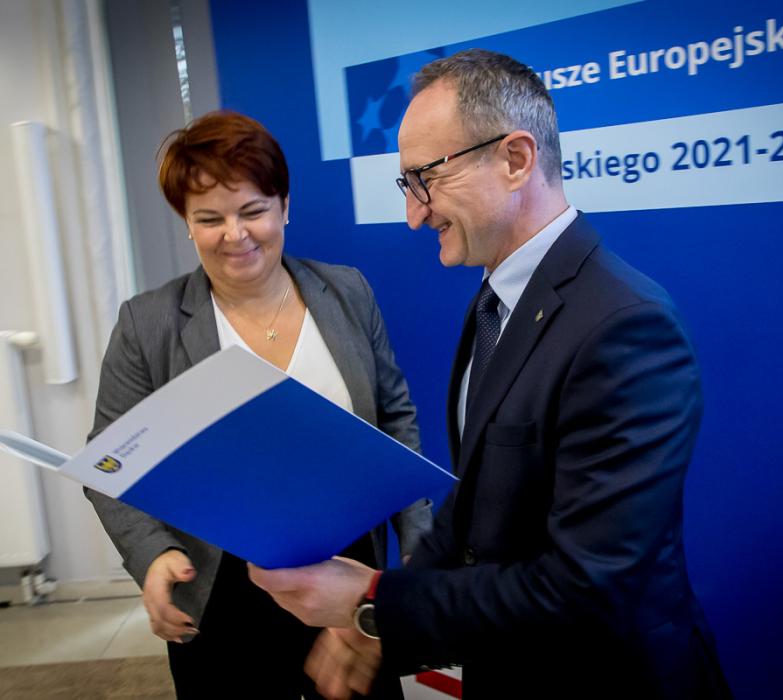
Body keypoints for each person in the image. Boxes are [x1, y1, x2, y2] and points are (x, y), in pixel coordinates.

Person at [249, 49, 732, 699]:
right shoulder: (494, 303)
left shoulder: (626, 327)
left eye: (426, 178)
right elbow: (477, 503)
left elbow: (586, 588)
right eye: (406, 185)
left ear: (515, 159)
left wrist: (376, 601)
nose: (414, 214)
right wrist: (381, 613)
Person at [84, 110, 431, 699]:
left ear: (284, 206)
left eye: (252, 211)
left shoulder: (347, 292)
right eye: (209, 218)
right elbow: (108, 462)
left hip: (346, 578)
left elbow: (396, 422)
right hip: (218, 585)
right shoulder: (148, 323)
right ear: (187, 224)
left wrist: (418, 561)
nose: (235, 234)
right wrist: (153, 555)